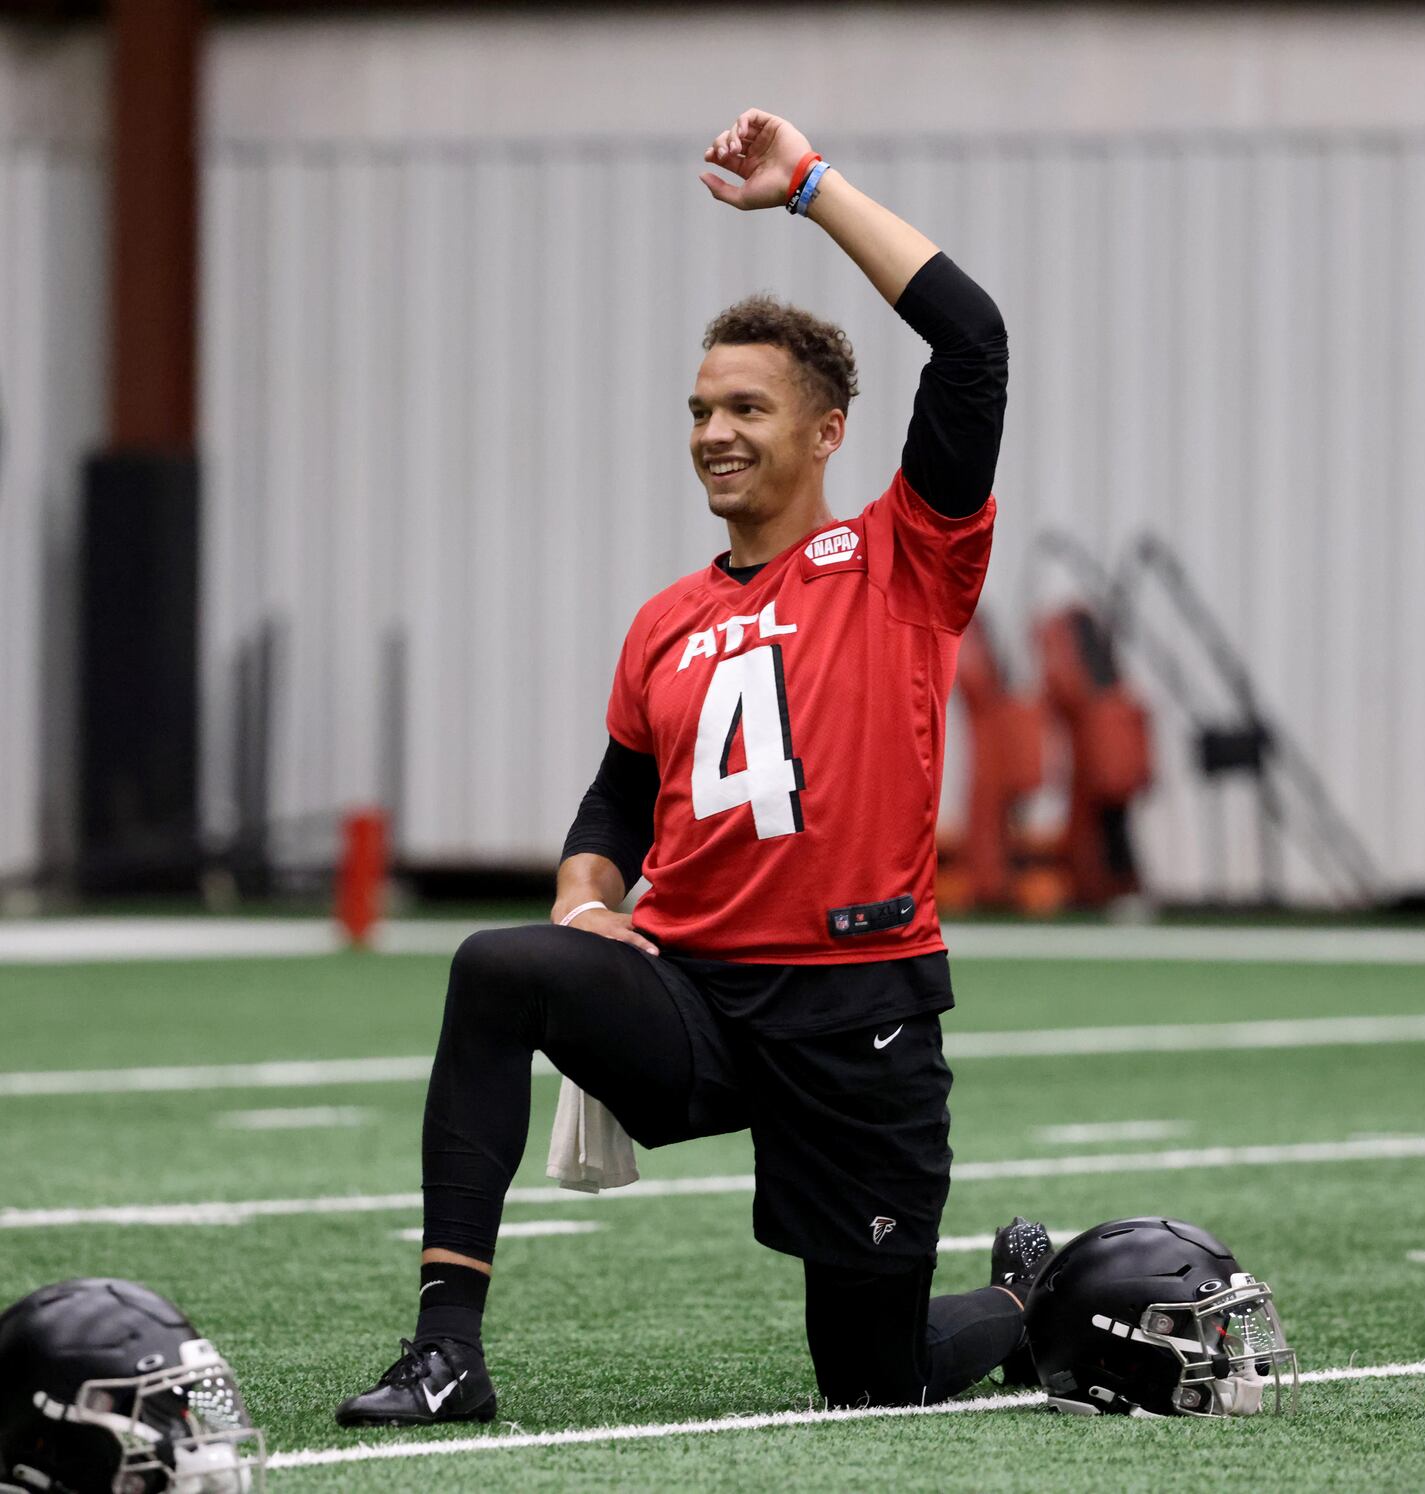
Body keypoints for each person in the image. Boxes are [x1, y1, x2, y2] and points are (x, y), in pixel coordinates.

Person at [336, 107, 1047, 1427]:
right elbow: (617, 796)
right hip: (698, 1003)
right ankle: (446, 1352)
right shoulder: (667, 616)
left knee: (873, 1378)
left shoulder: (905, 560)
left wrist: (811, 188)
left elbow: (976, 338)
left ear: (829, 431)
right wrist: (585, 894)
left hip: (857, 1013)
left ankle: (1026, 1303)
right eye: (700, 408)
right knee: (497, 968)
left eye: (747, 408)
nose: (715, 431)